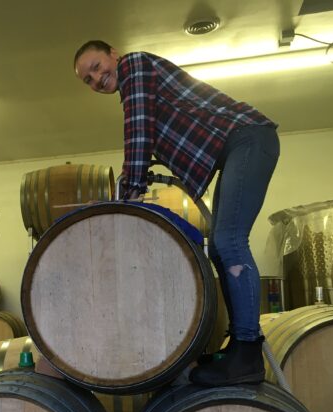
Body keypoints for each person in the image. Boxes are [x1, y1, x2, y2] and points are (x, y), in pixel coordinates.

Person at [73, 40, 280, 386]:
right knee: (219, 248)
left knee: (230, 241)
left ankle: (247, 351)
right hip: (238, 146)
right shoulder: (139, 86)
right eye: (88, 80)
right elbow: (151, 134)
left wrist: (128, 193)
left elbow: (139, 129)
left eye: (96, 67)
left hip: (248, 138)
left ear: (113, 54)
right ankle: (237, 347)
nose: (96, 79)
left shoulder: (134, 65)